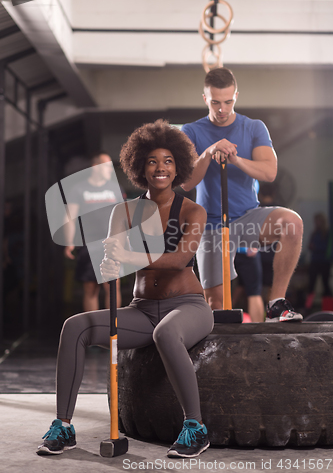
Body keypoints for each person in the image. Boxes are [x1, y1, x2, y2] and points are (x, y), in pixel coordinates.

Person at [36, 120, 214, 459]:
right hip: (142, 310)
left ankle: (196, 428)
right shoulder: (124, 211)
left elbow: (179, 260)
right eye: (152, 161)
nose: (160, 168)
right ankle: (63, 425)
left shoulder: (192, 210)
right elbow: (114, 259)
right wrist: (110, 265)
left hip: (188, 307)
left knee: (166, 333)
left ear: (178, 167)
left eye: (168, 161)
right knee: (74, 326)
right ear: (139, 167)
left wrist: (128, 256)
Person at [181, 67, 304, 322]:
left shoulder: (254, 127)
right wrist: (209, 152)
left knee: (292, 223)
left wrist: (236, 160)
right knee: (216, 305)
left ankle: (277, 304)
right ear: (205, 98)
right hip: (212, 224)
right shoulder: (191, 131)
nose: (222, 109)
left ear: (236, 95)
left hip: (249, 217)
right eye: (215, 102)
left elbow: (269, 172)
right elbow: (186, 182)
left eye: (228, 102)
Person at [64, 152, 123, 310]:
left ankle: (113, 330)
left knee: (112, 286)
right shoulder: (79, 189)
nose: (110, 169)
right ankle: (94, 330)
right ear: (96, 167)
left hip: (111, 243)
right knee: (90, 288)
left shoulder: (115, 188)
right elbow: (70, 217)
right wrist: (69, 242)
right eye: (106, 166)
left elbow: (122, 215)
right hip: (88, 245)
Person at [305, 212, 332, 309]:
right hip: (314, 262)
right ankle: (308, 307)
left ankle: (328, 308)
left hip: (324, 262)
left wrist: (316, 247)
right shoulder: (314, 233)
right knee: (311, 285)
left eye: (318, 221)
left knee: (326, 285)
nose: (316, 223)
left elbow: (327, 248)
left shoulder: (328, 233)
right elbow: (311, 245)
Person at [233, 247, 264, 322]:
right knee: (254, 293)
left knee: (220, 288)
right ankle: (258, 329)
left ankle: (217, 326)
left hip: (224, 250)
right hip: (246, 250)